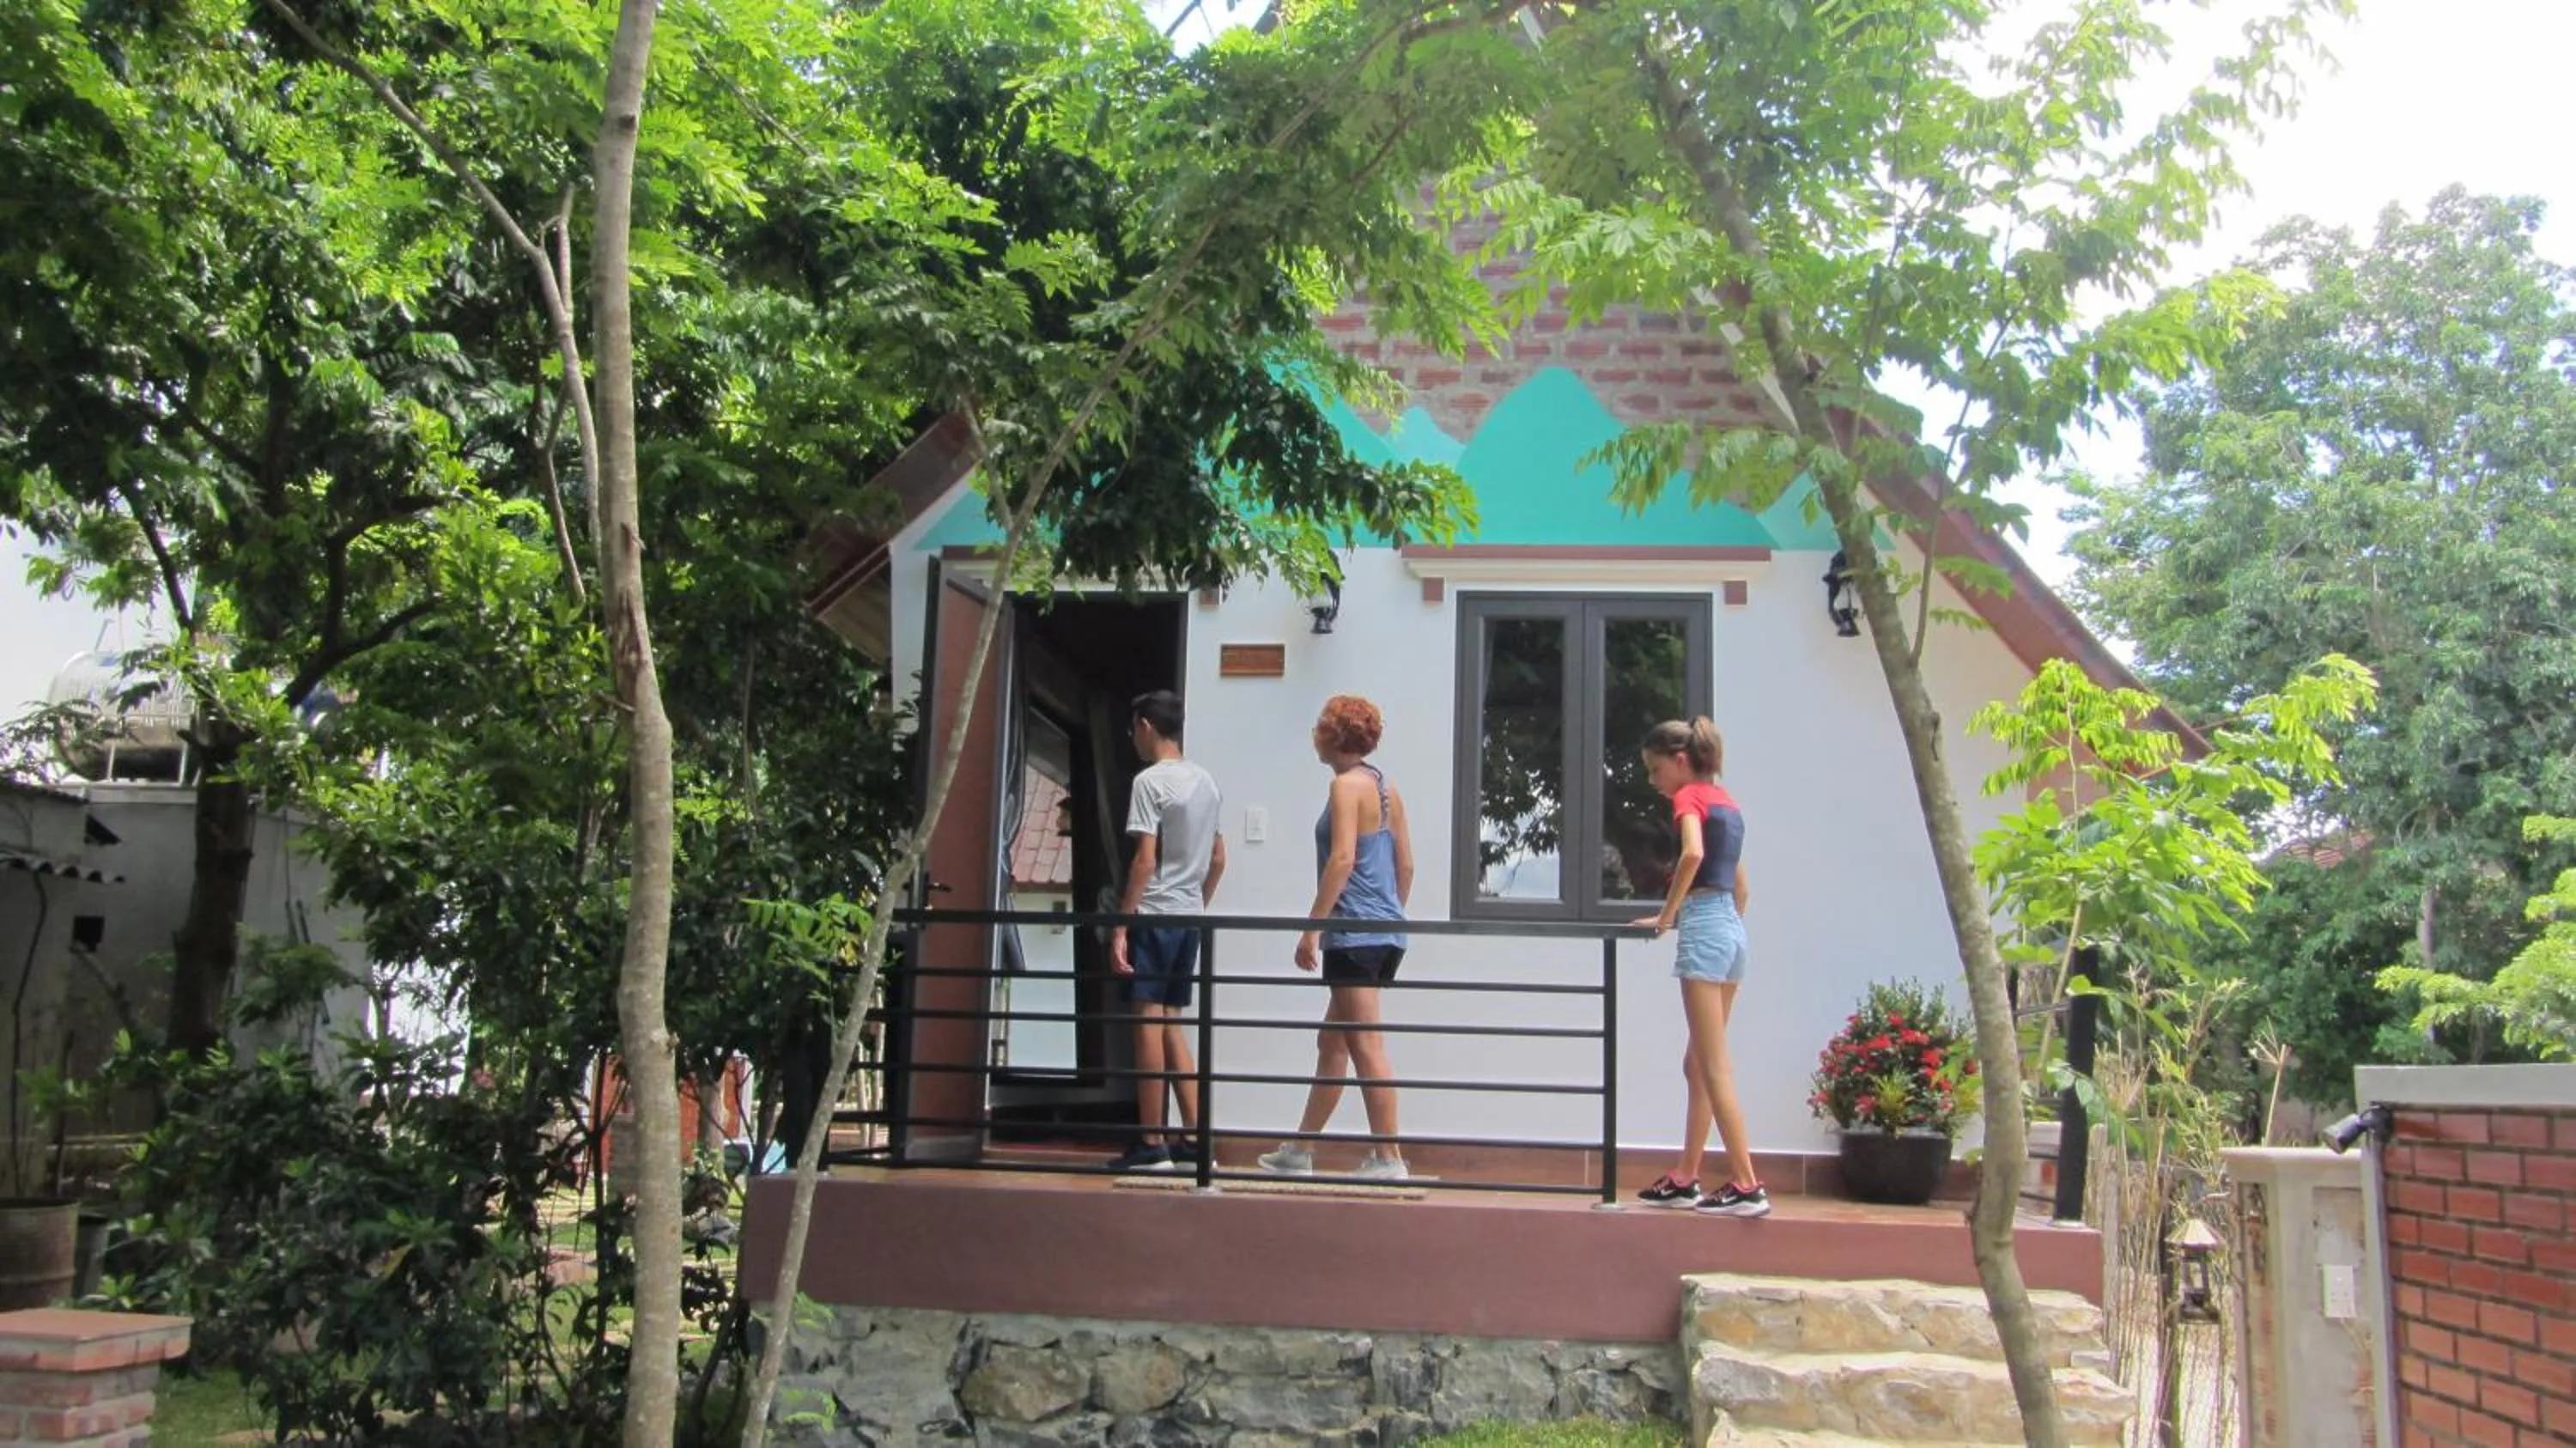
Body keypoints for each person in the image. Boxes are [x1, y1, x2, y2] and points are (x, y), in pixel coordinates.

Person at [1259, 696, 1413, 1182]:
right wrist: (1389, 918)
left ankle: (1389, 1158)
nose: (1314, 737)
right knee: (1333, 1040)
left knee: (1365, 1043)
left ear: (1332, 736)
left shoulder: (1345, 786)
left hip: (1352, 934)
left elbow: (1342, 859)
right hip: (1383, 932)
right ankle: (1300, 1150)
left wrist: (1312, 929)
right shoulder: (1386, 787)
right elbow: (1405, 865)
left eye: (1319, 728)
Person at [1632, 716, 1769, 1218]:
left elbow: (1691, 852)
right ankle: (1686, 1176)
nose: (1654, 780)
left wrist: (1668, 916)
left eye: (1655, 769)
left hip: (1706, 925)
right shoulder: (1728, 805)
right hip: (1732, 930)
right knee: (1697, 1064)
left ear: (1681, 761)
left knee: (1713, 1067)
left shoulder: (1687, 799)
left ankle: (1747, 1184)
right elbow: (1744, 887)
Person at [1107, 690, 1226, 1172]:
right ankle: (1198, 1140)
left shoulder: (1149, 782)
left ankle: (1152, 1141)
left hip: (1154, 913)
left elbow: (1145, 860)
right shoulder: (1207, 783)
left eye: (1134, 728)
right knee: (1173, 1020)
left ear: (1146, 726)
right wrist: (1196, 902)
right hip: (1188, 916)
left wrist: (1122, 924)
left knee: (1148, 1023)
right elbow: (1218, 859)